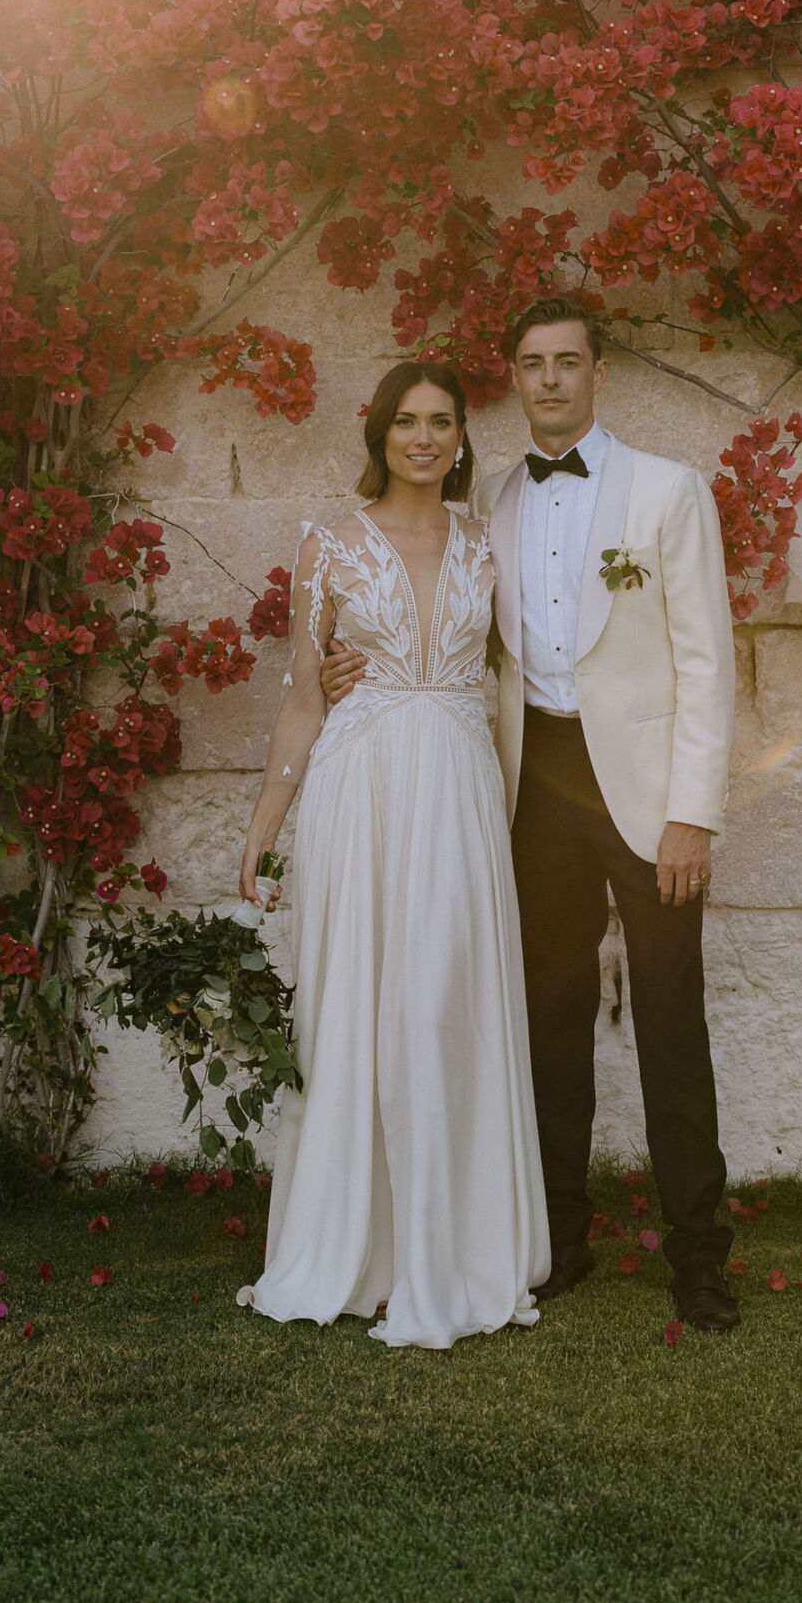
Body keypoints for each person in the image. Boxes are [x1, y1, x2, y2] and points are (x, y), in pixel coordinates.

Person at [324, 297, 740, 1333]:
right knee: (545, 1024)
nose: (549, 380)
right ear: (513, 380)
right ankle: (558, 1241)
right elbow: (452, 632)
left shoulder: (668, 491)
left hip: (647, 796)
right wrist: (351, 666)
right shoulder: (492, 507)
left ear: (599, 372)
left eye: (567, 362)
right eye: (530, 365)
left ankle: (699, 1257)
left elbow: (708, 661)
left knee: (670, 1024)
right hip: (533, 786)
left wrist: (693, 811)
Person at [237, 358, 549, 1348]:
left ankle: (449, 1247)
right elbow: (301, 697)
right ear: (379, 433)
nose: (423, 438)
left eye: (441, 422)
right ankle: (354, 1246)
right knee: (354, 1003)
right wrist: (263, 828)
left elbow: (519, 672)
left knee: (441, 1001)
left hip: (457, 783)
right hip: (358, 784)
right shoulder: (329, 546)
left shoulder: (488, 539)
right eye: (406, 421)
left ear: (462, 437)